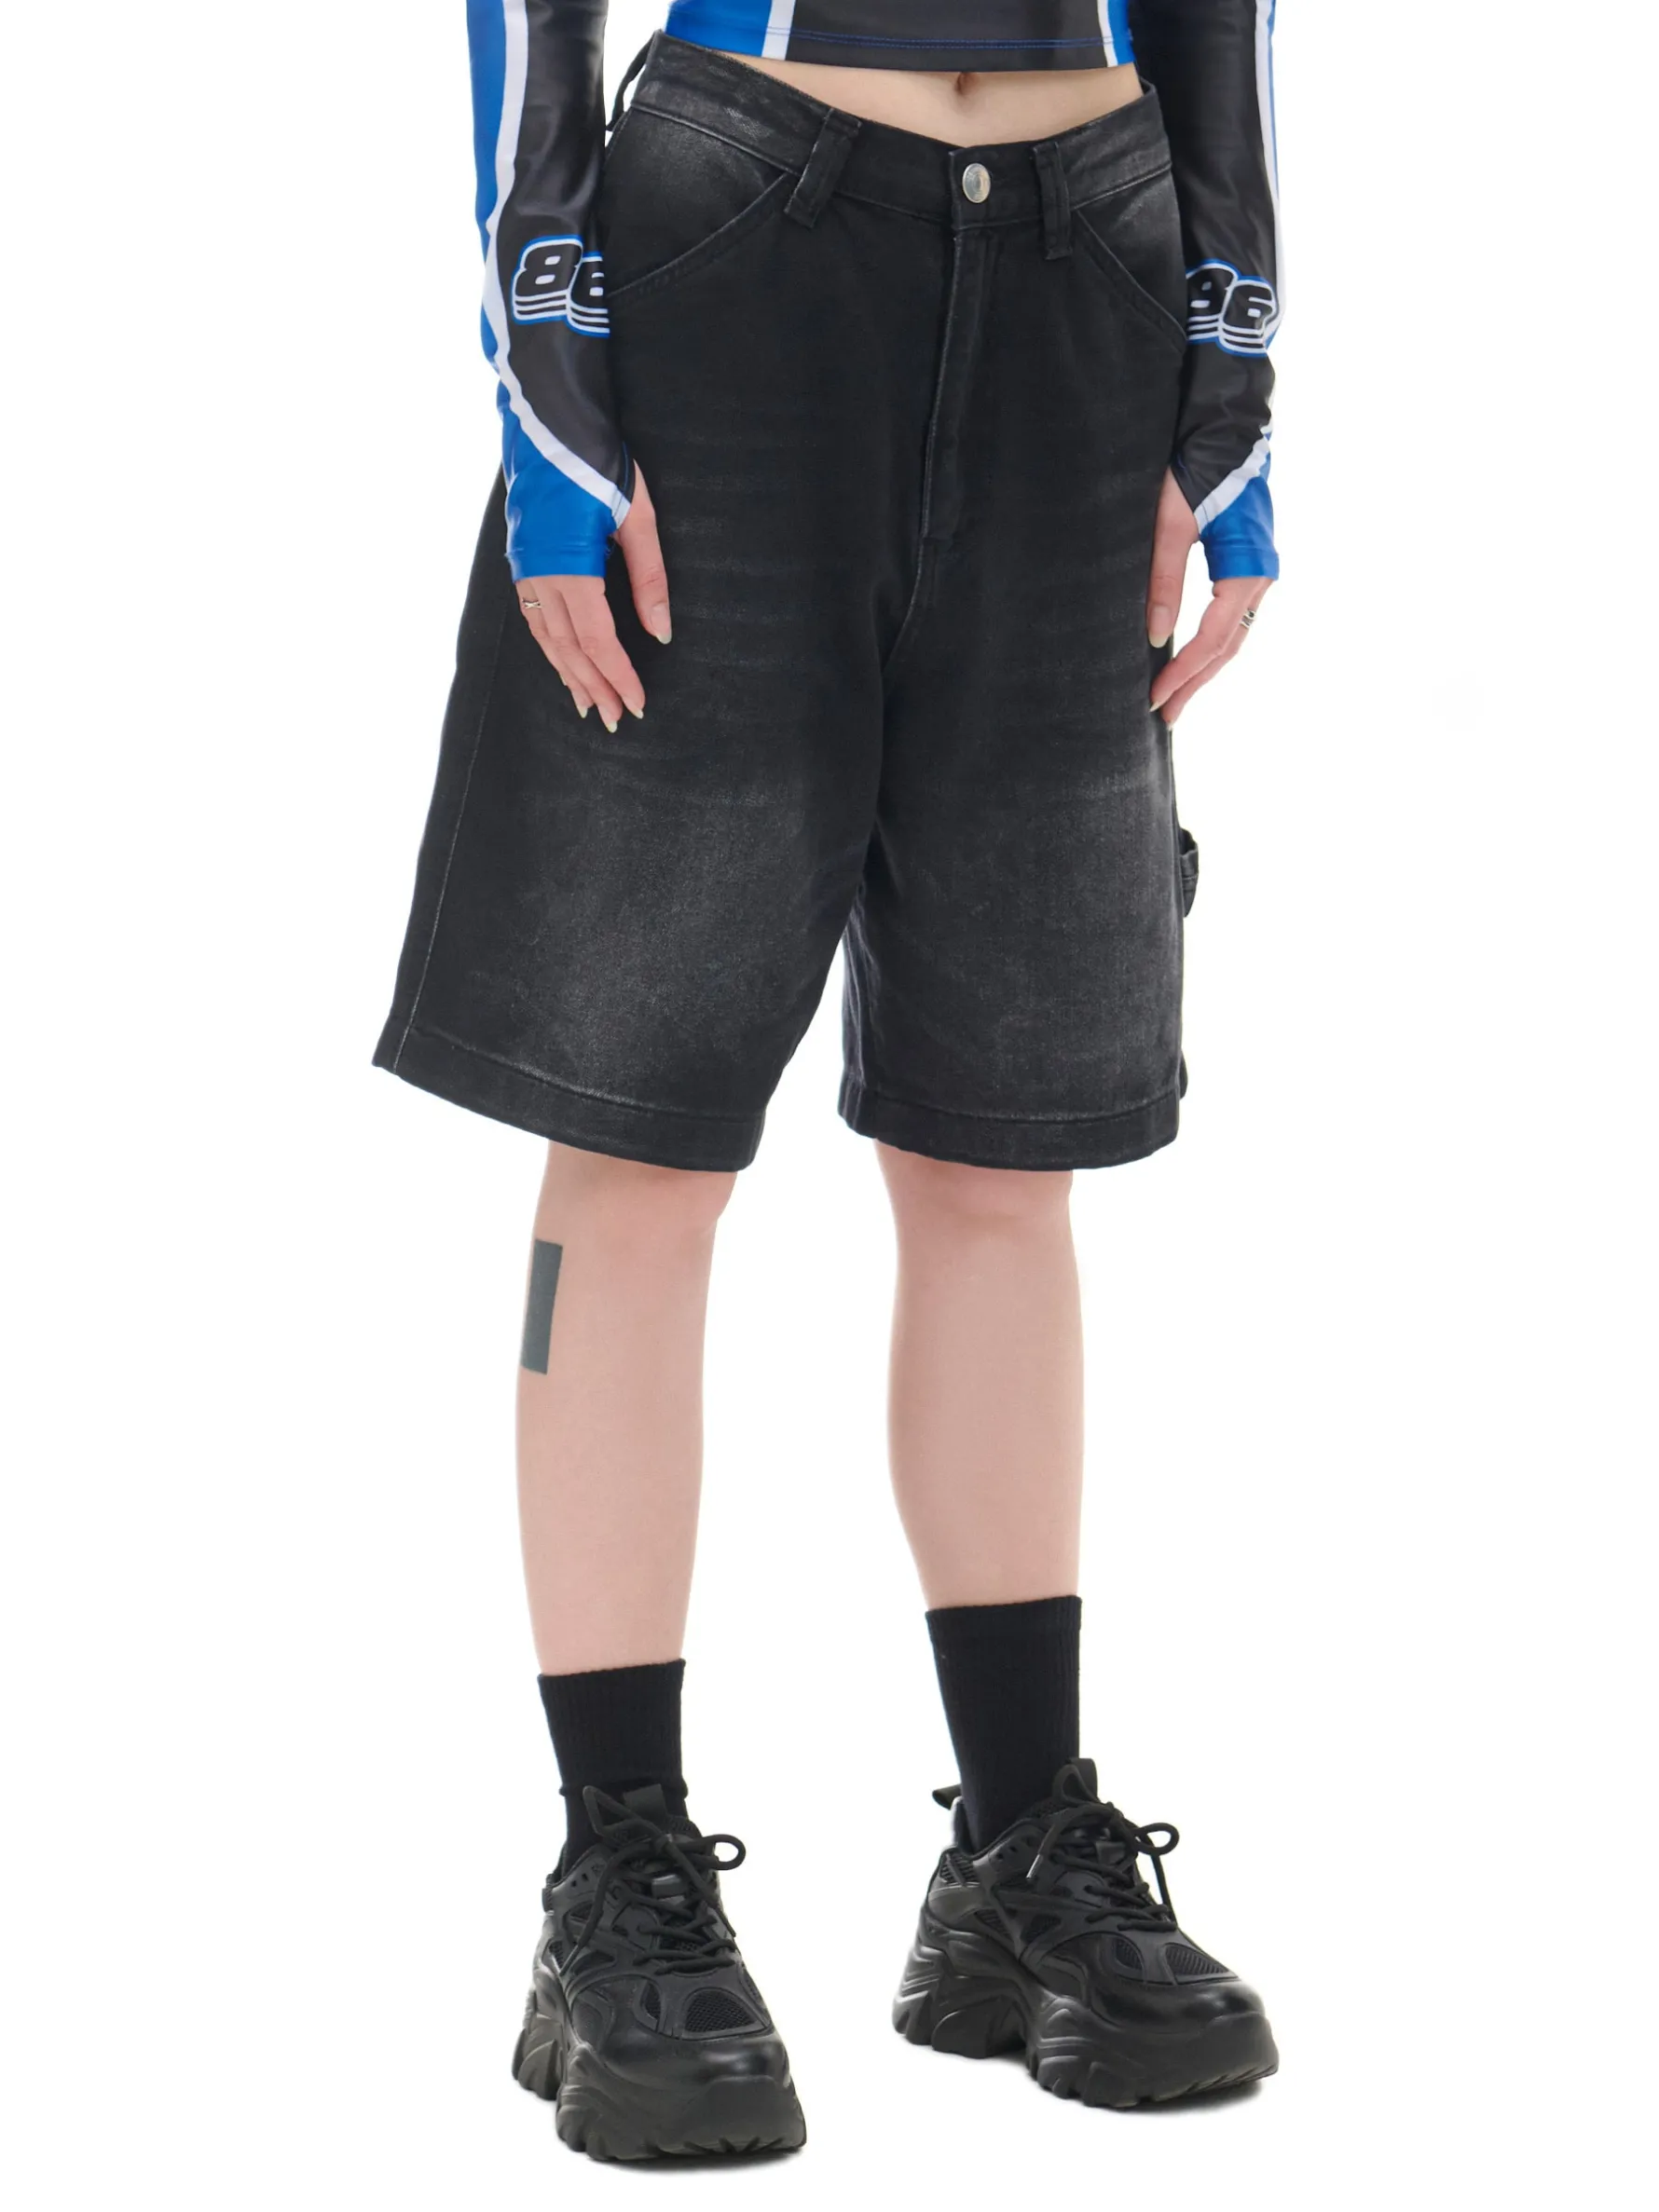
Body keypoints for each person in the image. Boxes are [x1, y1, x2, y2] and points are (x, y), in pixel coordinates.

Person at [375, 0, 1282, 2162]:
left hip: (1090, 259)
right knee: (637, 1127)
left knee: (1002, 1145)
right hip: (737, 261)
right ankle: (617, 1867)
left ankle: (1020, 1847)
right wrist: (550, 380)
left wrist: (1231, 368)